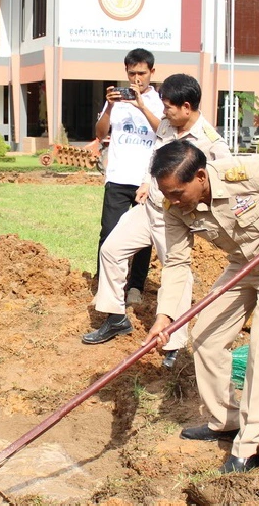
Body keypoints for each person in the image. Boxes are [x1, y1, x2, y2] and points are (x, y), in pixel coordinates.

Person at [145, 141, 259, 473]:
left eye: (178, 192)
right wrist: (164, 316)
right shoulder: (175, 209)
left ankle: (250, 444)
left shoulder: (241, 173)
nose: (173, 201)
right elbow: (177, 264)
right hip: (242, 266)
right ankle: (227, 419)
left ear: (201, 176)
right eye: (168, 195)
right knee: (206, 336)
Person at [83, 74, 231, 369]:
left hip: (174, 217)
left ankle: (174, 343)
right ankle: (115, 318)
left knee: (177, 273)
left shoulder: (210, 141)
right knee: (110, 251)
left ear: (186, 107)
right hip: (149, 207)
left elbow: (222, 179)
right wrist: (145, 182)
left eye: (168, 107)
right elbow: (155, 160)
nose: (163, 112)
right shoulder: (167, 125)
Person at [94, 48, 164, 309]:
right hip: (118, 177)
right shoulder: (116, 100)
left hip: (147, 180)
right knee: (108, 233)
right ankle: (106, 287)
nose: (136, 78)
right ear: (126, 71)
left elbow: (163, 132)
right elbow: (101, 133)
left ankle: (135, 287)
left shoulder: (159, 102)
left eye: (142, 73)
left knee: (143, 237)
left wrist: (141, 106)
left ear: (152, 73)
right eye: (132, 73)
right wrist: (111, 106)